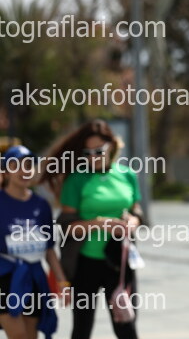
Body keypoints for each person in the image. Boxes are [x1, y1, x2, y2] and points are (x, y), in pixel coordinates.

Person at [39, 120, 143, 339]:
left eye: (98, 151)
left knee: (127, 327)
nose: (93, 157)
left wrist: (133, 221)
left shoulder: (127, 174)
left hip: (120, 261)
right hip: (86, 263)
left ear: (111, 146)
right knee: (82, 328)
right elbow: (66, 228)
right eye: (87, 153)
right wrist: (100, 223)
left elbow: (136, 210)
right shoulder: (76, 180)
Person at [0, 145, 68, 339]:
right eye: (16, 166)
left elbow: (49, 249)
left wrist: (62, 281)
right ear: (6, 171)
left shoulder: (41, 205)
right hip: (5, 277)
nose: (24, 170)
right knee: (18, 335)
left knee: (31, 335)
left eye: (29, 165)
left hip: (34, 277)